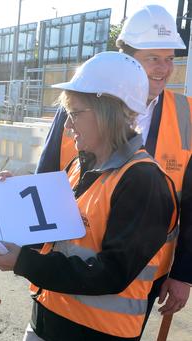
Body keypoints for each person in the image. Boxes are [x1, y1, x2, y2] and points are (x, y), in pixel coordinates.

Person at [0, 52, 177, 341]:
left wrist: (23, 262)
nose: (68, 126)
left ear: (108, 112)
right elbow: (54, 234)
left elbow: (111, 273)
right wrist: (14, 197)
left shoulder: (143, 181)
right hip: (48, 321)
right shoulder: (80, 166)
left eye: (75, 113)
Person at [36, 4, 192, 318]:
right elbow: (46, 177)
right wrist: (26, 251)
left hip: (146, 271)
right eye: (152, 59)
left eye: (168, 60)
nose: (163, 69)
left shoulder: (187, 114)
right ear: (126, 60)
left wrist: (183, 273)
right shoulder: (79, 105)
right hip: (70, 262)